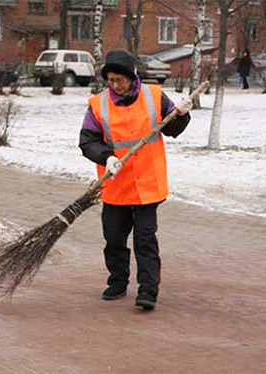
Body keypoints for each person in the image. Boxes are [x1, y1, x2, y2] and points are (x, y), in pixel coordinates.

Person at [79, 50, 192, 311]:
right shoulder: (98, 104)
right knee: (114, 238)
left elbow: (171, 128)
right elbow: (87, 141)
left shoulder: (153, 96)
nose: (114, 85)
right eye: (110, 80)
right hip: (115, 184)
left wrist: (182, 115)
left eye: (119, 79)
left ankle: (148, 291)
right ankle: (118, 282)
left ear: (132, 78)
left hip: (146, 184)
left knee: (145, 238)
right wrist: (106, 157)